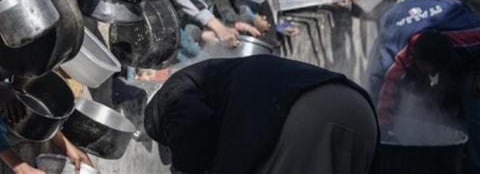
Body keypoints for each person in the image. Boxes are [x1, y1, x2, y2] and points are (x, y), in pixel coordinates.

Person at [145, 56, 378, 174]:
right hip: (359, 110)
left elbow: (191, 127)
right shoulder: (220, 80)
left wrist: (183, 170)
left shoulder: (173, 92)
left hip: (308, 121)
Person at [367, 0, 480, 171]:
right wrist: (385, 132)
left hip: (445, 7)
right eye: (424, 74)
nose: (428, 78)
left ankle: (475, 162)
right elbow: (381, 98)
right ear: (413, 60)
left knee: (472, 94)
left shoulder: (468, 36)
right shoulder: (393, 61)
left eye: (434, 73)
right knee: (394, 94)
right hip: (399, 15)